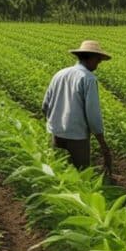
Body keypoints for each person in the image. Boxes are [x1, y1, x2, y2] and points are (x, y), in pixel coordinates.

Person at [41, 40, 113, 175]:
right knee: (81, 176)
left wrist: (54, 124)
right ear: (89, 57)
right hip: (77, 137)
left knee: (60, 173)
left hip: (56, 134)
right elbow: (93, 114)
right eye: (98, 60)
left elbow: (45, 105)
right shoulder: (88, 78)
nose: (99, 63)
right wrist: (102, 144)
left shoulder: (59, 74)